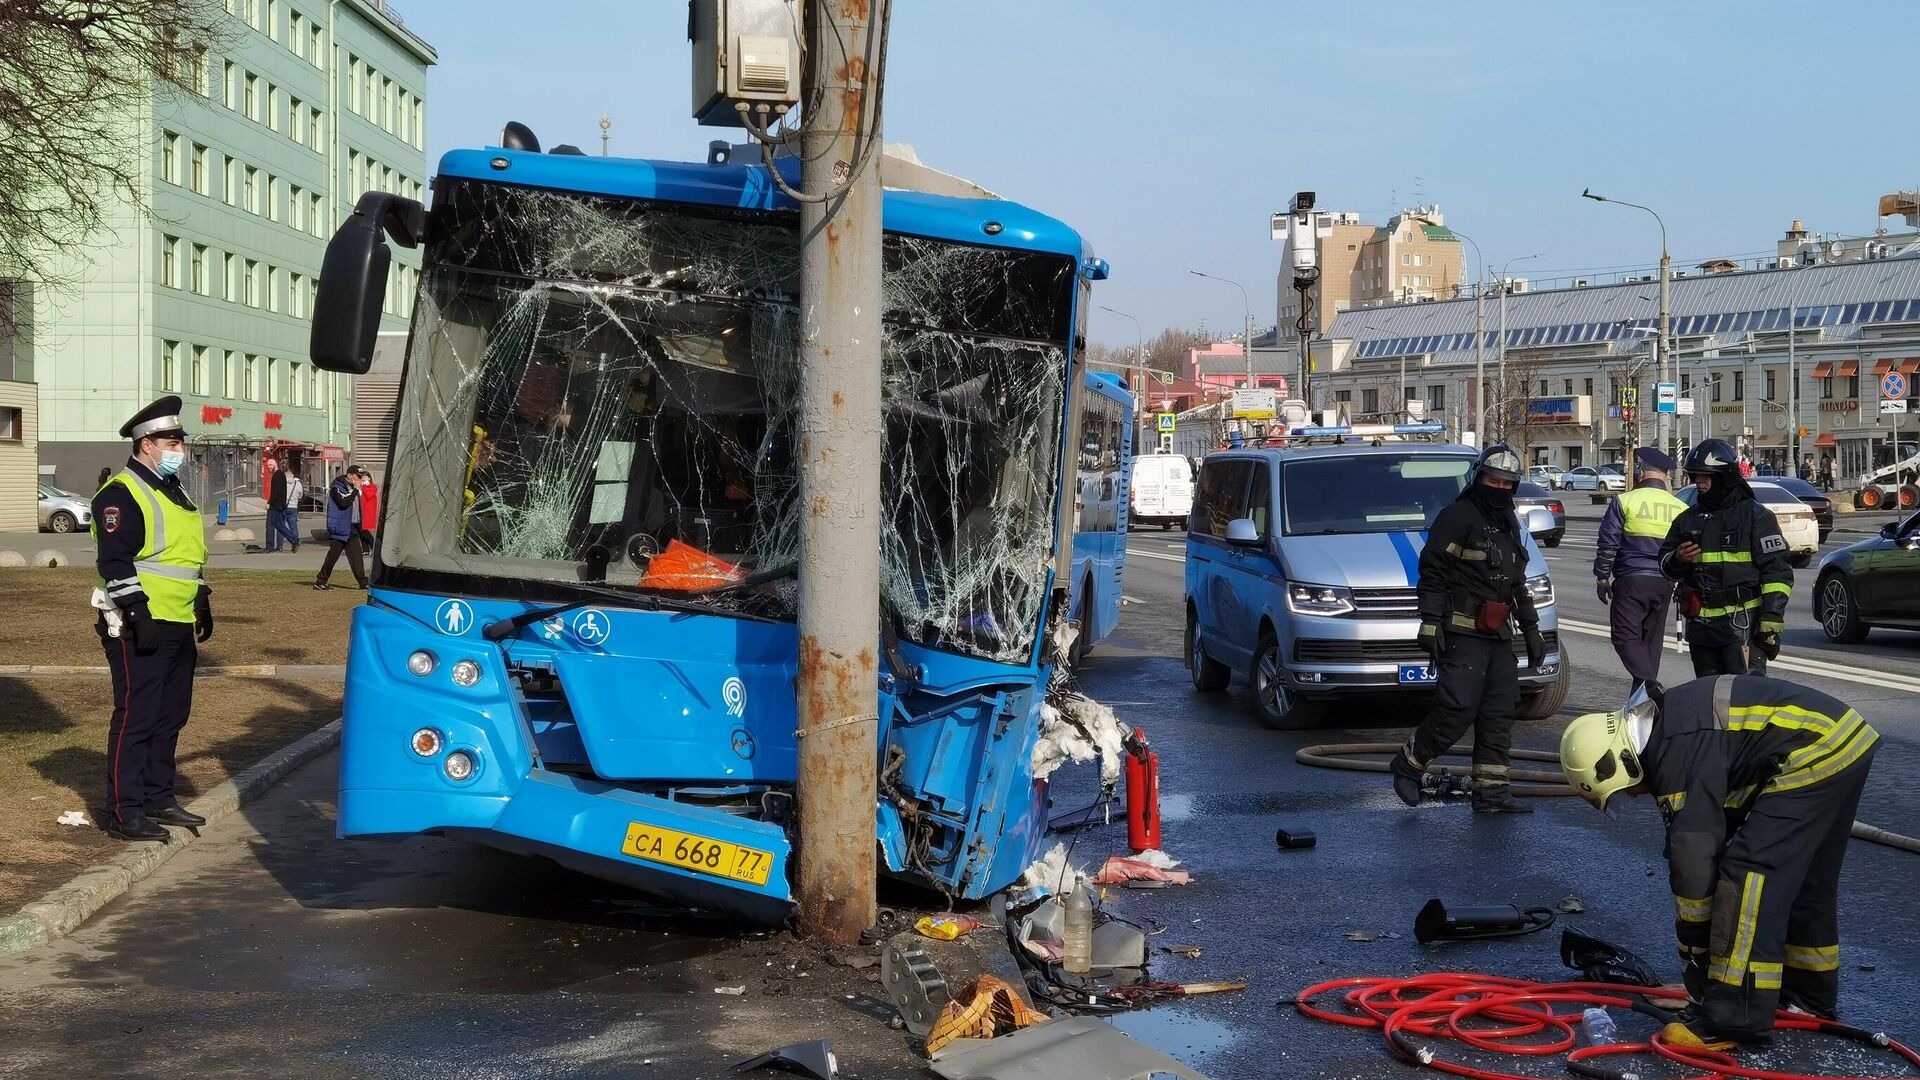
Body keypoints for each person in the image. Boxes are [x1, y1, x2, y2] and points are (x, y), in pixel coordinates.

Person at [1559, 676, 1879, 1050]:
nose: (1632, 795)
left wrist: (1695, 958)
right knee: (1805, 881)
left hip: (1814, 748)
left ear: (1618, 762)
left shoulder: (1673, 752)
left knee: (1748, 876)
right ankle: (1808, 1000)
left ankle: (1734, 1019)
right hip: (1843, 739)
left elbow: (1693, 865)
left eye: (1621, 790)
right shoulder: (1666, 729)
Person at [1390, 443, 1547, 814]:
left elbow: (1517, 584)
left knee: (1499, 712)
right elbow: (1432, 573)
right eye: (1493, 480)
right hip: (1461, 633)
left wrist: (1531, 629)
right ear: (1478, 479)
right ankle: (1409, 764)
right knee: (1458, 708)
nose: (1500, 488)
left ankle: (1491, 794)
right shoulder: (1456, 517)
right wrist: (1430, 622)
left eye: (1507, 483)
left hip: (1498, 637)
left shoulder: (1510, 525)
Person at [91, 396, 212, 843]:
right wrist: (138, 613)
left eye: (180, 440)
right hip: (138, 622)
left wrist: (202, 597)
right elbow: (116, 561)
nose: (179, 447)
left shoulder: (173, 489)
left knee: (170, 714)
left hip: (177, 619)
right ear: (146, 444)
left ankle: (160, 797)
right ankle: (125, 812)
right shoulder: (121, 494)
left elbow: (184, 555)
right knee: (137, 716)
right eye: (171, 440)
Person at [1659, 439, 1793, 677]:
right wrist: (1677, 559)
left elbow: (1778, 573)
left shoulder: (1756, 517)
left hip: (1742, 626)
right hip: (1701, 630)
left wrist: (1771, 618)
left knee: (1745, 699)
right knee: (1707, 697)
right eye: (1695, 476)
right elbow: (1664, 565)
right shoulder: (1687, 519)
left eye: (1705, 477)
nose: (1698, 482)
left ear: (1725, 477)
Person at [1593, 448, 1687, 691]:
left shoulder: (1625, 501)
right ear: (1665, 476)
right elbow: (1686, 551)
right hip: (1665, 583)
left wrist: (1603, 576)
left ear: (1641, 472)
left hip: (1631, 580)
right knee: (1651, 643)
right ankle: (1644, 702)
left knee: (1624, 638)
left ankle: (1649, 684)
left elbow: (1609, 542)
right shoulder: (1679, 507)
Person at [313, 469, 368, 590]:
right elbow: (343, 502)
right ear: (349, 476)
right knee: (333, 556)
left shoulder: (355, 490)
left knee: (357, 556)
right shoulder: (337, 488)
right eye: (357, 477)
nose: (359, 480)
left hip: (352, 527)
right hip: (340, 527)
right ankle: (320, 581)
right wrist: (354, 491)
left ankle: (363, 582)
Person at [263, 457, 300, 554]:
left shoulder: (277, 475)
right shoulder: (280, 475)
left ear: (275, 464)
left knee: (270, 526)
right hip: (279, 505)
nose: (269, 468)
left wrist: (269, 502)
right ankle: (293, 540)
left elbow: (276, 492)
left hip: (276, 506)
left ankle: (270, 546)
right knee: (278, 525)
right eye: (267, 466)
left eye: (270, 465)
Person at [352, 465, 380, 546]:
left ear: (369, 478)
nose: (363, 478)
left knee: (364, 530)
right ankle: (365, 549)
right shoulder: (362, 487)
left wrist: (364, 486)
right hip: (362, 511)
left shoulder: (372, 486)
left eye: (365, 477)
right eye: (362, 477)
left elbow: (368, 495)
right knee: (362, 531)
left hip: (369, 511)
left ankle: (373, 545)